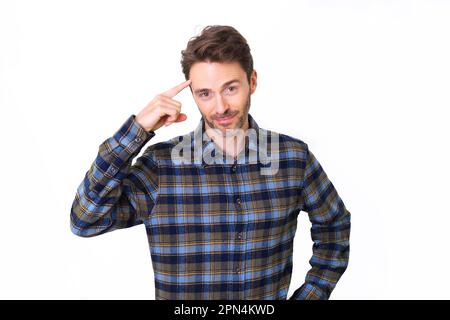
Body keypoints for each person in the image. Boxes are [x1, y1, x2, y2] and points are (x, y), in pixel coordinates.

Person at [70, 25, 351, 300]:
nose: (220, 107)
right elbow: (85, 220)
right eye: (205, 93)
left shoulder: (293, 158)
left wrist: (313, 293)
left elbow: (335, 226)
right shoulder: (161, 166)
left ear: (252, 81)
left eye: (230, 88)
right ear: (193, 96)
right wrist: (137, 130)